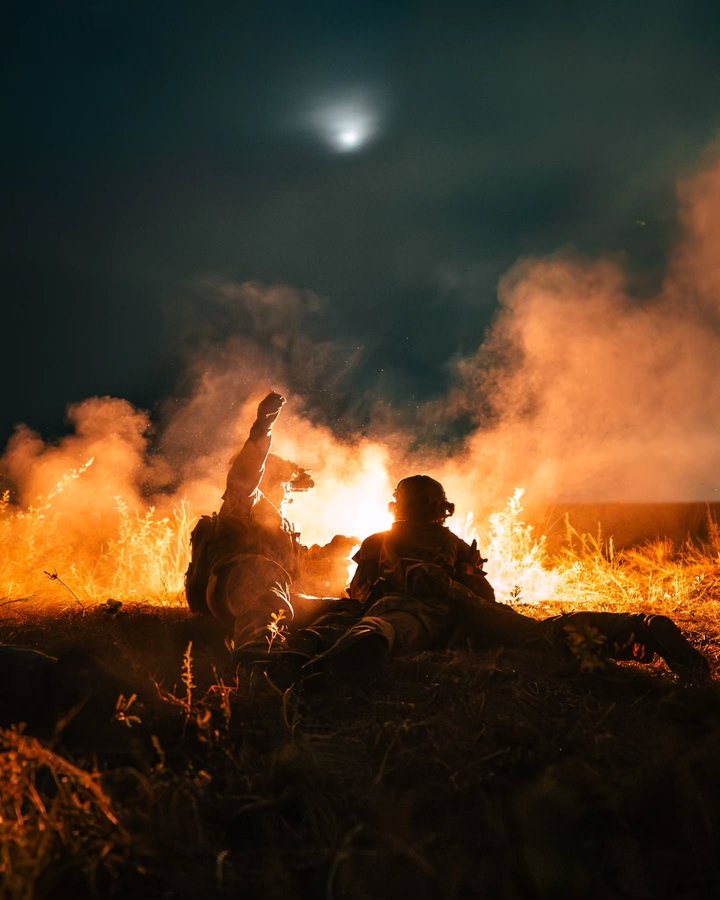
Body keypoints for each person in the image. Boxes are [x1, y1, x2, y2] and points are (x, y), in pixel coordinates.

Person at [298, 475, 710, 683]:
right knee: (547, 634)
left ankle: (327, 668)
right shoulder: (456, 543)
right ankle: (637, 628)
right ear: (442, 509)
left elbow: (361, 593)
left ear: (396, 506)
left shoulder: (378, 541)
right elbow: (484, 594)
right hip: (466, 613)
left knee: (375, 626)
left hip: (409, 616)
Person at [185, 391, 352, 644]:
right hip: (234, 587)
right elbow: (247, 472)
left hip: (277, 594)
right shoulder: (242, 507)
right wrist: (263, 427)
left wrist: (334, 552)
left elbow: (301, 569)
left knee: (346, 610)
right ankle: (258, 655)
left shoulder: (277, 525)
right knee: (264, 585)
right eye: (284, 483)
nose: (287, 492)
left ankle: (307, 650)